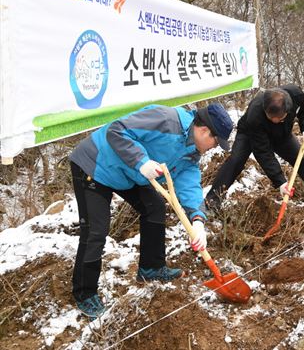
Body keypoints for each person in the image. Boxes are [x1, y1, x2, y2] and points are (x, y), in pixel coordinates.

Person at [68, 103, 232, 319]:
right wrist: (141, 161)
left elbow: (189, 183)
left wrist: (198, 219)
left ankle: (151, 268)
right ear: (203, 131)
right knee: (96, 231)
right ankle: (84, 293)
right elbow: (116, 130)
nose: (214, 147)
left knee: (154, 206)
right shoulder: (165, 120)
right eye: (215, 141)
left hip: (129, 173)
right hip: (96, 164)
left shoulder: (192, 152)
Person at [206, 85, 304, 212]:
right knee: (235, 161)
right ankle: (212, 200)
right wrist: (280, 182)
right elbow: (263, 153)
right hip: (250, 134)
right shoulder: (255, 114)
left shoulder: (295, 94)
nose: (275, 121)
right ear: (265, 109)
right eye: (271, 118)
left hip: (282, 135)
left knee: (302, 161)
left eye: (279, 118)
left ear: (287, 110)